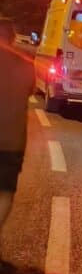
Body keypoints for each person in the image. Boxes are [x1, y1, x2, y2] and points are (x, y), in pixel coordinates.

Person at [0, 18, 34, 256]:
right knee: (4, 192)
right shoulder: (26, 65)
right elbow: (29, 92)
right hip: (12, 141)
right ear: (12, 38)